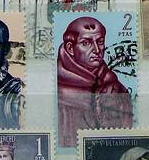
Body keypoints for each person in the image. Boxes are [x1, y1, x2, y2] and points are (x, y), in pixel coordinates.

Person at [56, 16, 134, 147]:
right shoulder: (57, 90)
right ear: (70, 48)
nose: (97, 50)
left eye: (100, 42)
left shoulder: (116, 86)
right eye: (86, 43)